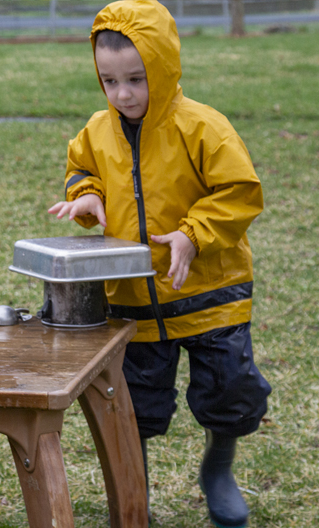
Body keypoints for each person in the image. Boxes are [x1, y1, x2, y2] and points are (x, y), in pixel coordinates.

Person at [47, 2, 271, 527]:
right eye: (109, 80)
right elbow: (81, 167)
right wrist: (87, 196)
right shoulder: (98, 130)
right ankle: (135, 494)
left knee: (230, 394)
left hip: (212, 293)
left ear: (165, 68)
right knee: (135, 411)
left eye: (136, 79)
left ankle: (218, 465)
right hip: (132, 296)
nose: (122, 94)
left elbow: (239, 193)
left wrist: (194, 234)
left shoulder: (204, 128)